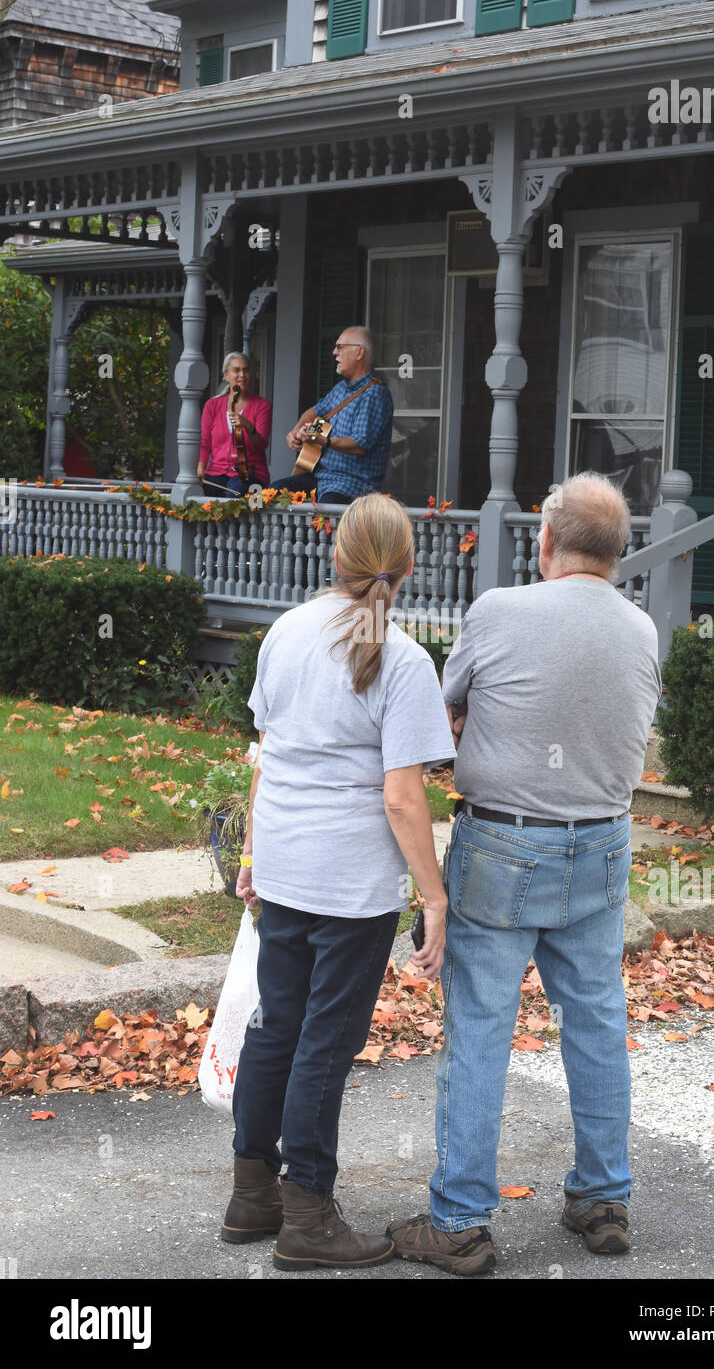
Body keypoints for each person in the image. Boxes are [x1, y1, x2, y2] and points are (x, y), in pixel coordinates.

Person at [387, 472, 662, 1277]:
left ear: (546, 542)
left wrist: (478, 726)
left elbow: (441, 718)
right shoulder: (641, 630)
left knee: (479, 1028)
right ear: (618, 553)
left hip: (506, 846)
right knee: (597, 1020)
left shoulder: (498, 611)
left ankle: (462, 1220)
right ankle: (603, 1197)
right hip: (602, 842)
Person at [219, 492, 454, 1270]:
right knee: (325, 1041)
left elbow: (267, 757)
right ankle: (309, 1217)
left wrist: (253, 854)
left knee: (275, 1026)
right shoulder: (406, 659)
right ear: (408, 564)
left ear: (335, 556)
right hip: (350, 882)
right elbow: (401, 794)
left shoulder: (284, 632)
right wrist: (435, 896)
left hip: (285, 863)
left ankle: (253, 1195)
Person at [268, 326, 393, 503]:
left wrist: (323, 440)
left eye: (340, 347)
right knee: (274, 492)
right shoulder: (340, 388)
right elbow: (314, 412)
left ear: (359, 353)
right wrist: (296, 432)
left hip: (353, 484)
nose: (334, 352)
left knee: (326, 512)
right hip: (320, 477)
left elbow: (359, 445)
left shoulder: (374, 394)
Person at [198, 352, 271, 496]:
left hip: (249, 472)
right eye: (236, 370)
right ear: (226, 375)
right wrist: (200, 469)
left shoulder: (262, 405)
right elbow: (205, 442)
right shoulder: (212, 405)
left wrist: (248, 426)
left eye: (246, 370)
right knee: (195, 494)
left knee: (235, 493)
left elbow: (261, 445)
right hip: (216, 472)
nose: (242, 375)